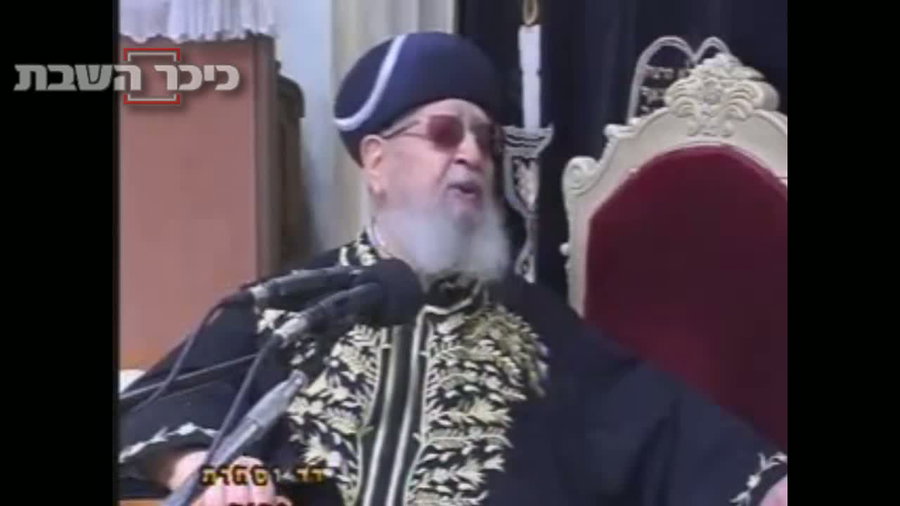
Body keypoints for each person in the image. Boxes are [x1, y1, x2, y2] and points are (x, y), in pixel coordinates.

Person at [118, 31, 787, 506]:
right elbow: (156, 406)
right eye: (444, 133)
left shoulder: (536, 330)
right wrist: (212, 472)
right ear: (376, 161)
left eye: (485, 140)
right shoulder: (291, 305)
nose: (471, 154)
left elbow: (671, 433)